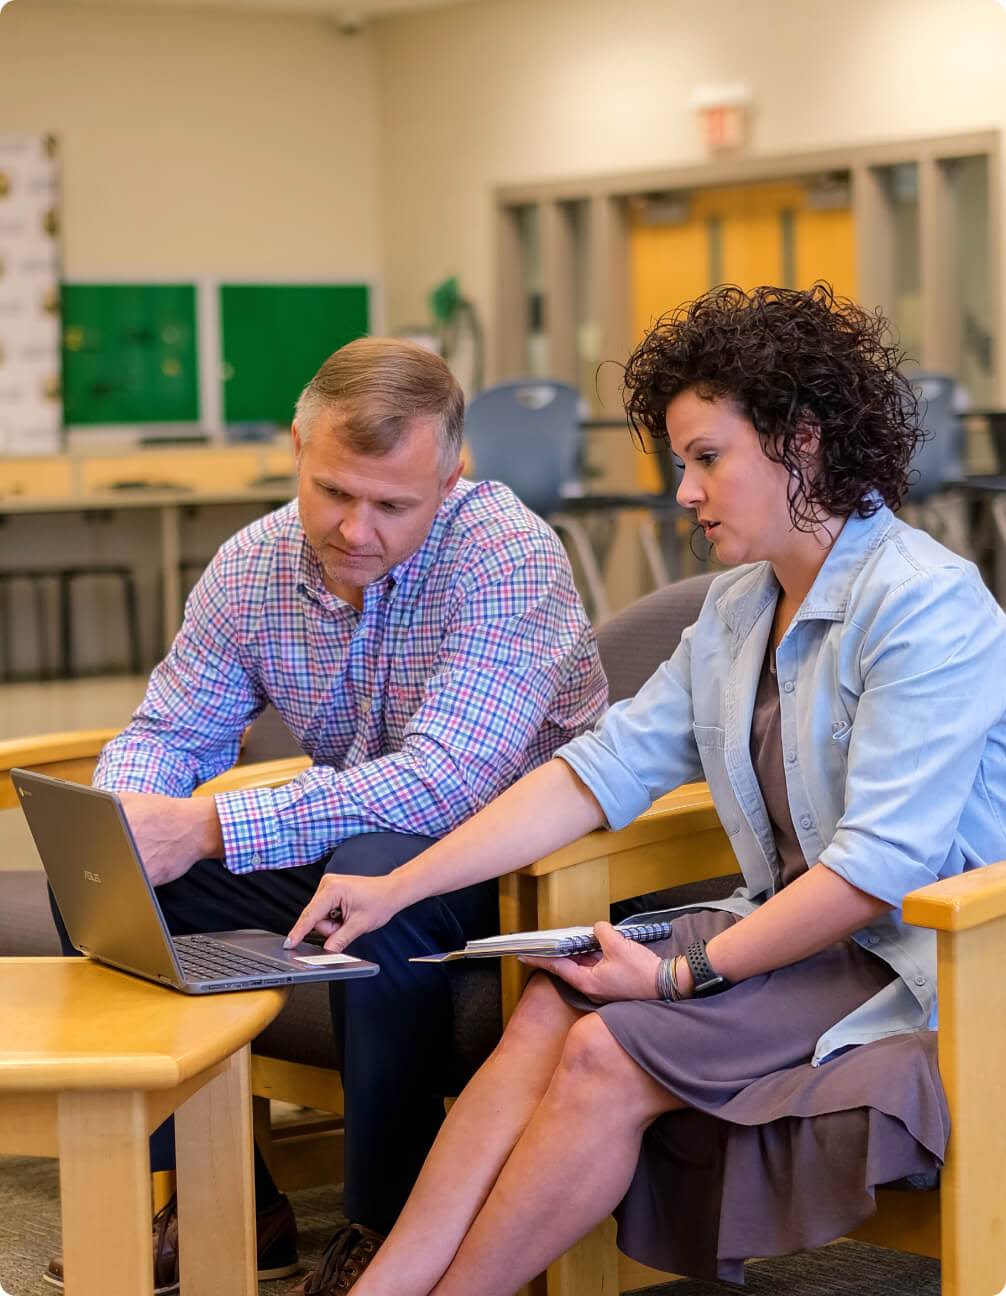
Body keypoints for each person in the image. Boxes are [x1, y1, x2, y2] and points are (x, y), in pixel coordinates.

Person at [286, 284, 1006, 1296]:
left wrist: (678, 976)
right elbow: (595, 772)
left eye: (706, 458)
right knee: (550, 1006)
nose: (683, 492)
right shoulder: (737, 610)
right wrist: (396, 888)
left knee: (603, 1051)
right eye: (681, 464)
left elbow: (877, 872)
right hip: (793, 938)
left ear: (800, 445)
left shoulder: (924, 604)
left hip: (917, 959)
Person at [46, 337, 607, 1296]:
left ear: (452, 475)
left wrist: (213, 827)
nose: (354, 529)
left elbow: (445, 782)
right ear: (299, 446)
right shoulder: (253, 563)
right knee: (105, 882)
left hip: (511, 853)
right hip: (347, 832)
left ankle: (383, 1228)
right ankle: (230, 1199)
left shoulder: (508, 553)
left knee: (375, 890)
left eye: (393, 505)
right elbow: (172, 728)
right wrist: (133, 812)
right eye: (333, 491)